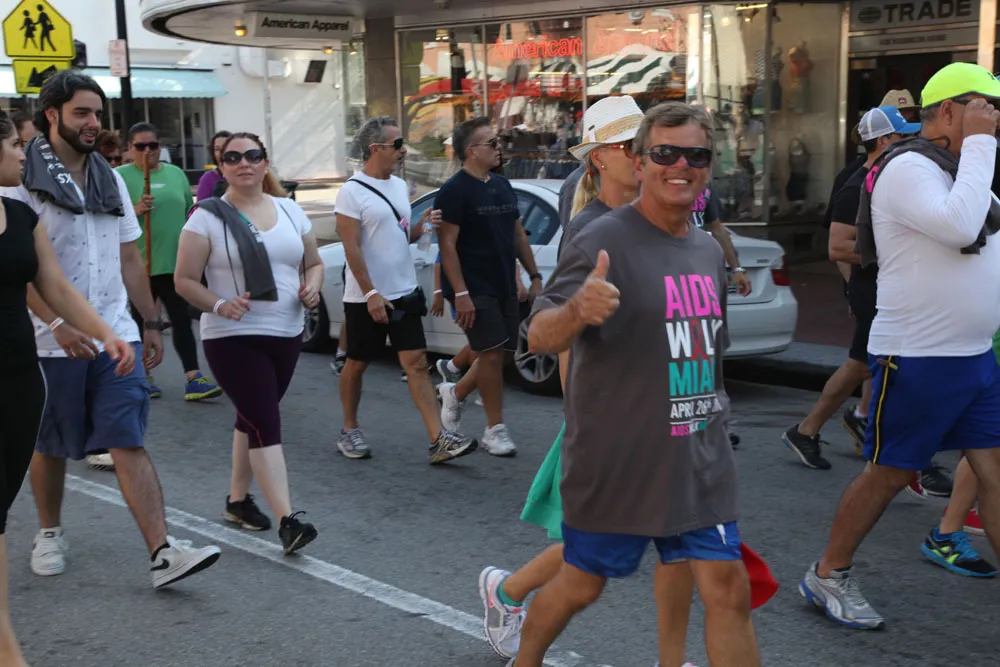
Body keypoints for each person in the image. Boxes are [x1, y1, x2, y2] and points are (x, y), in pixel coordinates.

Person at [514, 102, 760, 667]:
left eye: (696, 155)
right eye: (665, 153)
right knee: (582, 585)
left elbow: (708, 355)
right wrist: (577, 310)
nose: (681, 165)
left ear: (710, 167)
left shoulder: (707, 251)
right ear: (641, 161)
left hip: (699, 462)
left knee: (728, 589)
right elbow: (539, 335)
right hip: (619, 463)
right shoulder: (603, 238)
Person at [477, 95, 702, 667]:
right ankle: (509, 593)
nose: (644, 155)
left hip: (664, 411)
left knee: (650, 543)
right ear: (600, 158)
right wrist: (581, 415)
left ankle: (512, 593)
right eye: (630, 146)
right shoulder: (595, 227)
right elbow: (562, 333)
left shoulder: (664, 215)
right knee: (594, 547)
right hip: (609, 416)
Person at [0, 70, 221, 588]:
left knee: (127, 435)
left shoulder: (111, 180)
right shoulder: (21, 181)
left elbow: (128, 258)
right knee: (50, 443)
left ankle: (162, 552)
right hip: (47, 341)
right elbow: (22, 272)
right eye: (81, 112)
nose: (93, 123)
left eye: (97, 113)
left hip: (114, 331)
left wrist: (150, 322)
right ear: (52, 115)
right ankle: (49, 531)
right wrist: (57, 323)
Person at [799, 62, 1000, 629]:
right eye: (984, 107)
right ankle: (828, 573)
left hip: (973, 356)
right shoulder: (908, 166)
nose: (993, 118)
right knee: (888, 473)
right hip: (918, 355)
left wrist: (978, 150)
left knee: (994, 472)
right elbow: (959, 227)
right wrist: (981, 144)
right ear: (949, 111)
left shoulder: (964, 171)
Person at [0, 110, 136, 667]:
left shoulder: (18, 215)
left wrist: (106, 333)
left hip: (16, 382)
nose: (22, 152)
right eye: (14, 144)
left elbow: (54, 285)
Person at [175, 132, 321, 554]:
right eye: (233, 157)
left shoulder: (290, 210)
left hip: (287, 331)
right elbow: (184, 280)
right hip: (232, 337)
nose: (244, 163)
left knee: (252, 417)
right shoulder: (205, 218)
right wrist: (220, 304)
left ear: (265, 162)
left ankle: (237, 501)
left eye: (252, 155)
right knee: (265, 421)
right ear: (221, 167)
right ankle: (288, 521)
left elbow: (312, 263)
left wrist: (312, 287)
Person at [781, 106, 917, 470]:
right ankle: (809, 430)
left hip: (886, 286)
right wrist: (893, 252)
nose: (909, 142)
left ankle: (851, 427)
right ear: (884, 141)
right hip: (870, 287)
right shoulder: (856, 185)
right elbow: (838, 248)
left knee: (877, 363)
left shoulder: (885, 178)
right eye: (903, 136)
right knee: (861, 365)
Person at [334, 116, 476, 463]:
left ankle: (438, 438)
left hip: (404, 290)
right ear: (375, 148)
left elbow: (399, 235)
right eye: (397, 144)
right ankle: (349, 429)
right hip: (367, 297)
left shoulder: (399, 186)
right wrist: (371, 294)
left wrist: (421, 227)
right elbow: (352, 248)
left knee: (416, 364)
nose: (404, 150)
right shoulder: (351, 191)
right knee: (356, 364)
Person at [436, 117, 544, 456]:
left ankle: (454, 393)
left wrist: (534, 276)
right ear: (471, 151)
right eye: (492, 143)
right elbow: (447, 246)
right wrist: (460, 293)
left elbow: (517, 235)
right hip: (473, 286)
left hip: (503, 283)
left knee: (505, 354)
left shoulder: (501, 184)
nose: (499, 148)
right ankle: (494, 430)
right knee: (492, 355)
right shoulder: (453, 191)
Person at [118, 122, 222, 403]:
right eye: (140, 146)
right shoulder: (119, 176)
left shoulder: (175, 174)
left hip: (174, 263)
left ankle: (193, 377)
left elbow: (190, 212)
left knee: (181, 319)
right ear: (130, 148)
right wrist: (136, 209)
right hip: (139, 265)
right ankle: (143, 375)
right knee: (141, 322)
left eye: (153, 145)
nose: (148, 151)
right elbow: (107, 218)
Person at [197, 130, 232, 201]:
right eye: (217, 149)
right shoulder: (207, 178)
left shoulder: (243, 174)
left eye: (225, 148)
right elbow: (201, 205)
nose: (221, 152)